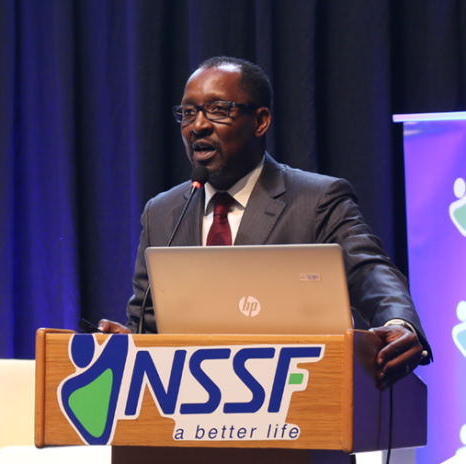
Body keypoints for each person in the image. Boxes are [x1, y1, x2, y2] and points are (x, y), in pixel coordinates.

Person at [99, 56, 432, 390]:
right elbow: (147, 325)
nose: (197, 125)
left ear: (260, 121)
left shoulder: (317, 199)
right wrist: (126, 342)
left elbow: (369, 270)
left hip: (298, 396)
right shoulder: (162, 212)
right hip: (187, 403)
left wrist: (399, 322)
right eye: (188, 112)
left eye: (217, 110)